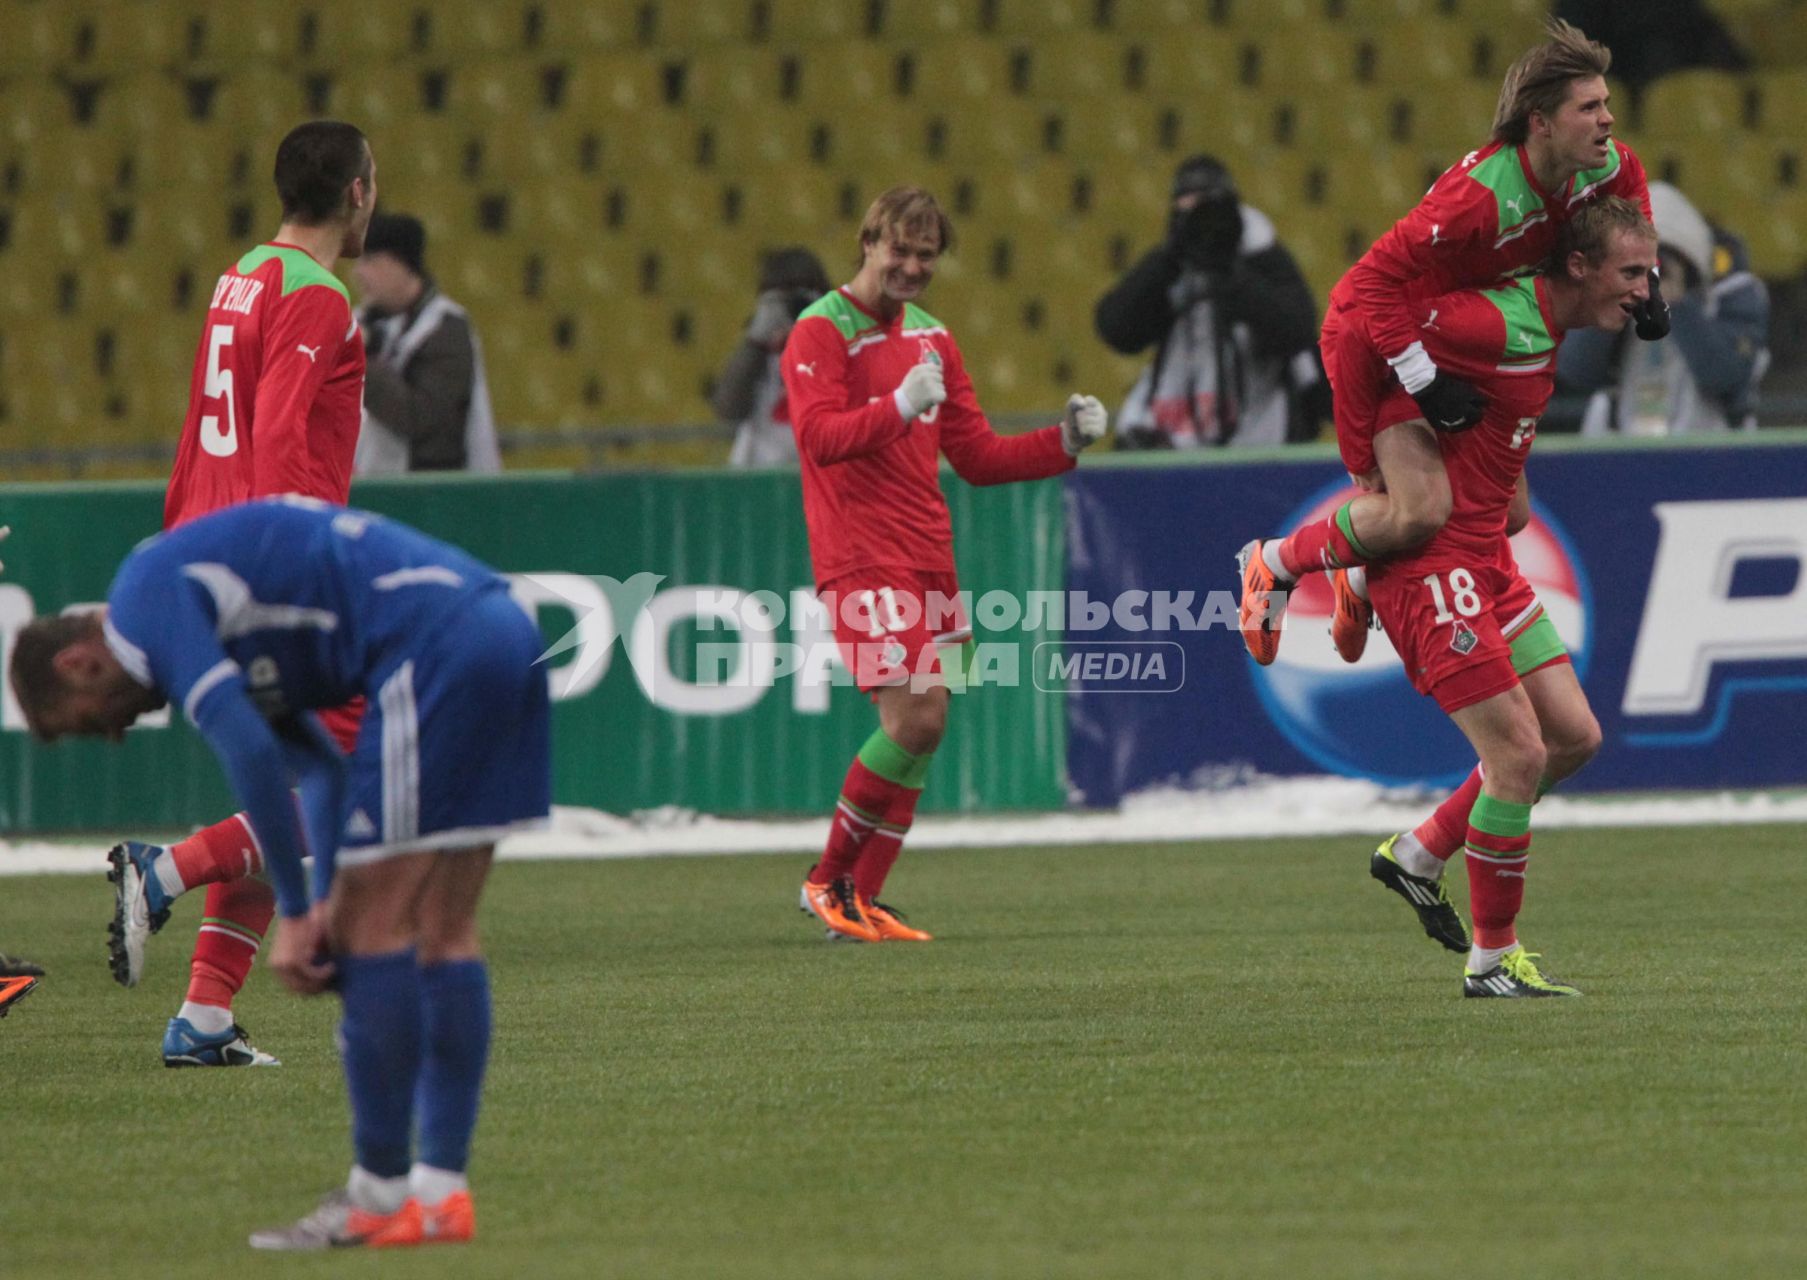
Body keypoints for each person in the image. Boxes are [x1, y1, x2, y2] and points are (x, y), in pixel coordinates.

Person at [10, 497, 550, 1247]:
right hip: (500, 627)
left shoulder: (145, 600)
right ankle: (439, 1197)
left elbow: (252, 754)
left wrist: (298, 912)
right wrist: (321, 893)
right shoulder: (221, 615)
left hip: (432, 650)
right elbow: (318, 771)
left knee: (374, 930)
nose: (114, 732)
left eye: (91, 718)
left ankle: (378, 1193)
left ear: (79, 661)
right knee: (443, 929)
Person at [1239, 18, 1660, 668]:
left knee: (1508, 514)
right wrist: (1419, 383)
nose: (1607, 119)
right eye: (1589, 107)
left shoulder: (1601, 164)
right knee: (1413, 510)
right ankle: (1273, 563)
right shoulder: (1477, 198)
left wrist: (1649, 283)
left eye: (1605, 102)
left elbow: (1633, 193)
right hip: (1387, 344)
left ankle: (1355, 570)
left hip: (1464, 347)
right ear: (1540, 122)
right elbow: (1364, 291)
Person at [1328, 200, 1657, 995]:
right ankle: (1491, 961)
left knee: (1572, 738)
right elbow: (1360, 319)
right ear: (1576, 267)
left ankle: (1417, 853)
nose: (1645, 294)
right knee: (1515, 755)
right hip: (1433, 557)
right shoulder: (1488, 320)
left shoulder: (1545, 333)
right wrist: (1366, 475)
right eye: (1631, 274)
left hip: (1486, 556)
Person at [106, 119, 375, 1069]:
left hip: (203, 549)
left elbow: (200, 432)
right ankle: (165, 868)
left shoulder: (243, 274)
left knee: (292, 790)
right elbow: (272, 438)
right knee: (352, 785)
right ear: (357, 194)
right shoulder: (319, 295)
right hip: (268, 570)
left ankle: (206, 1020)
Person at [780, 186, 1108, 942]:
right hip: (861, 554)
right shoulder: (818, 332)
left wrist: (1062, 441)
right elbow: (818, 438)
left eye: (926, 255)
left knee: (925, 727)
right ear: (868, 241)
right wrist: (896, 406)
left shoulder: (933, 338)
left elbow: (978, 455)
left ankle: (858, 900)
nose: (912, 266)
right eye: (900, 248)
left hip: (929, 555)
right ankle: (825, 882)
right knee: (919, 711)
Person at [1094, 154, 1323, 447]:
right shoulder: (1172, 265)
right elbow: (1117, 330)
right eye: (1190, 210)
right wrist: (1169, 257)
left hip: (1258, 443)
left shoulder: (1260, 257)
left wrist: (1233, 279)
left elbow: (1298, 328)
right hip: (1174, 443)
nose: (1204, 223)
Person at [1559, 182, 1770, 434]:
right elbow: (1576, 371)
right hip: (1621, 449)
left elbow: (1723, 375)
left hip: (1709, 453)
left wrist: (1678, 304)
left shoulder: (1733, 295)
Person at [351, 212, 502, 474]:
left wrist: (359, 358)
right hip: (370, 488)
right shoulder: (361, 321)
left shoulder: (446, 329)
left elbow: (420, 419)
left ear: (402, 264)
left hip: (432, 494)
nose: (358, 273)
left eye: (371, 261)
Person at [713, 247, 831, 466]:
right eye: (785, 301)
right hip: (759, 477)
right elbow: (727, 410)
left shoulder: (840, 347)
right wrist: (756, 340)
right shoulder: (759, 354)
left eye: (803, 300)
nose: (795, 309)